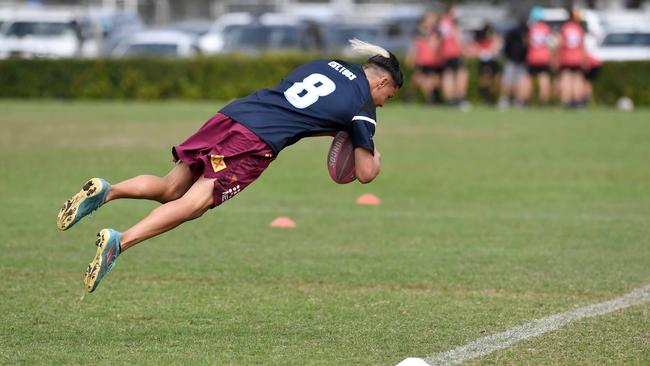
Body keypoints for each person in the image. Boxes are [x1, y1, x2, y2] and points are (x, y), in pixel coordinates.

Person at [57, 39, 403, 293]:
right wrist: (375, 156)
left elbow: (307, 107)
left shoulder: (323, 64)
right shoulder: (363, 107)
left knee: (171, 188)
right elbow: (364, 173)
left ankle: (108, 190)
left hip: (233, 115)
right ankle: (121, 241)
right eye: (388, 97)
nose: (383, 105)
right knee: (195, 203)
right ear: (382, 82)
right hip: (255, 143)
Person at [405, 11, 443, 104]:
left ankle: (429, 98)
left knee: (430, 81)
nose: (433, 21)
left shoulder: (436, 32)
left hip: (433, 61)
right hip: (423, 60)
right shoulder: (419, 32)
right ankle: (429, 99)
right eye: (431, 18)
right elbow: (414, 47)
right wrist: (411, 57)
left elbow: (437, 46)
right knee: (421, 80)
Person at [438, 4, 469, 107]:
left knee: (449, 74)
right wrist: (463, 49)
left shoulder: (442, 21)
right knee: (461, 74)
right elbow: (456, 37)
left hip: (446, 52)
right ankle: (460, 99)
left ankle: (449, 100)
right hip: (454, 52)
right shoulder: (450, 21)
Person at [556, 7, 587, 108]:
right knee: (578, 80)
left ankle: (566, 101)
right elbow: (582, 46)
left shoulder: (564, 28)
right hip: (577, 58)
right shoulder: (579, 29)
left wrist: (556, 57)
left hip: (566, 58)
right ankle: (578, 101)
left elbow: (560, 44)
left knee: (566, 79)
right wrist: (584, 59)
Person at [523, 6, 554, 106]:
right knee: (544, 79)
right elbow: (552, 43)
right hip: (544, 57)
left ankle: (524, 101)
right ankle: (543, 102)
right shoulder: (547, 28)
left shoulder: (531, 28)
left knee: (528, 79)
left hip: (532, 57)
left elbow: (527, 42)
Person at [498, 19, 528, 109]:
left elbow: (505, 47)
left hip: (515, 60)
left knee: (513, 81)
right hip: (515, 60)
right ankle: (509, 100)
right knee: (512, 81)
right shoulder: (523, 32)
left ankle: (509, 100)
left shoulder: (512, 32)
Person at [472, 23, 502, 105]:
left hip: (493, 62)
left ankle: (493, 99)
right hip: (484, 63)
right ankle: (485, 98)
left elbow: (496, 49)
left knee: (496, 81)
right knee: (484, 81)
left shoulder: (495, 39)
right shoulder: (480, 40)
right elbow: (476, 51)